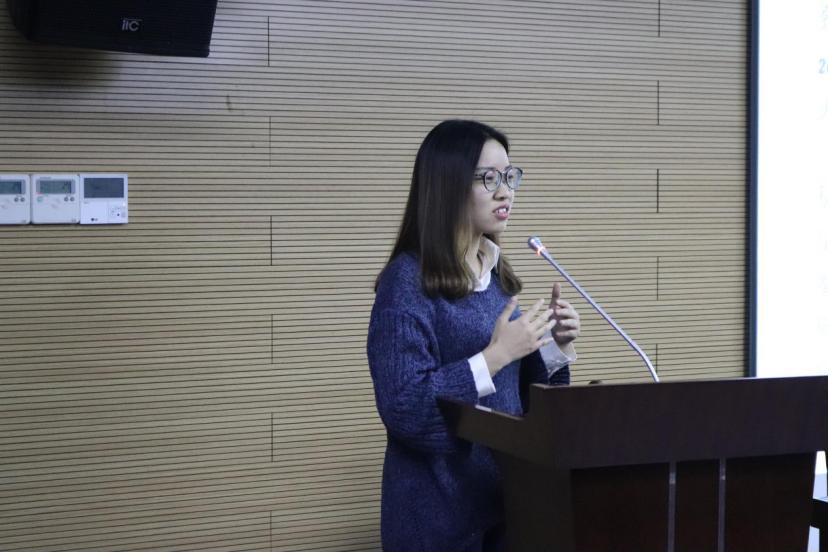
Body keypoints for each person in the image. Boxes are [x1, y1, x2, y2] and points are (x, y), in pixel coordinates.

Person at [367, 120, 581, 551]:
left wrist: (555, 349)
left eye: (510, 176)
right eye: (489, 178)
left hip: (504, 511)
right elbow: (405, 408)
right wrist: (495, 355)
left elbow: (522, 407)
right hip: (435, 522)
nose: (506, 192)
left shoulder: (496, 276)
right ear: (447, 184)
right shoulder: (405, 283)